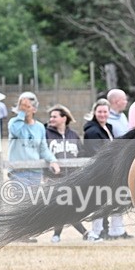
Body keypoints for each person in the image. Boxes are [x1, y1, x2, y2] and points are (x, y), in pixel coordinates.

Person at [7, 91, 60, 243]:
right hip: (19, 171)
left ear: (34, 109)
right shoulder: (14, 123)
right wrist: (21, 114)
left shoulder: (39, 128)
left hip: (35, 171)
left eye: (28, 107)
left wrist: (52, 160)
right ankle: (16, 233)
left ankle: (26, 232)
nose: (25, 109)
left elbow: (43, 148)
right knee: (19, 201)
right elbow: (16, 131)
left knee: (31, 202)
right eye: (22, 106)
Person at [83, 100, 131, 241]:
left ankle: (116, 231)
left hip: (112, 170)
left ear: (109, 113)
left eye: (105, 112)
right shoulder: (92, 131)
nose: (103, 114)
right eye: (100, 112)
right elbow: (97, 152)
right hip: (99, 172)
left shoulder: (108, 127)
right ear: (94, 113)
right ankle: (97, 232)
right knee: (99, 203)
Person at [45, 104, 87, 243]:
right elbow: (43, 154)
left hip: (72, 179)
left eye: (54, 116)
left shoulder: (74, 135)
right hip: (54, 179)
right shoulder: (47, 134)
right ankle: (85, 233)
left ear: (64, 118)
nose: (51, 119)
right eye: (50, 116)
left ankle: (57, 235)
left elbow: (81, 155)